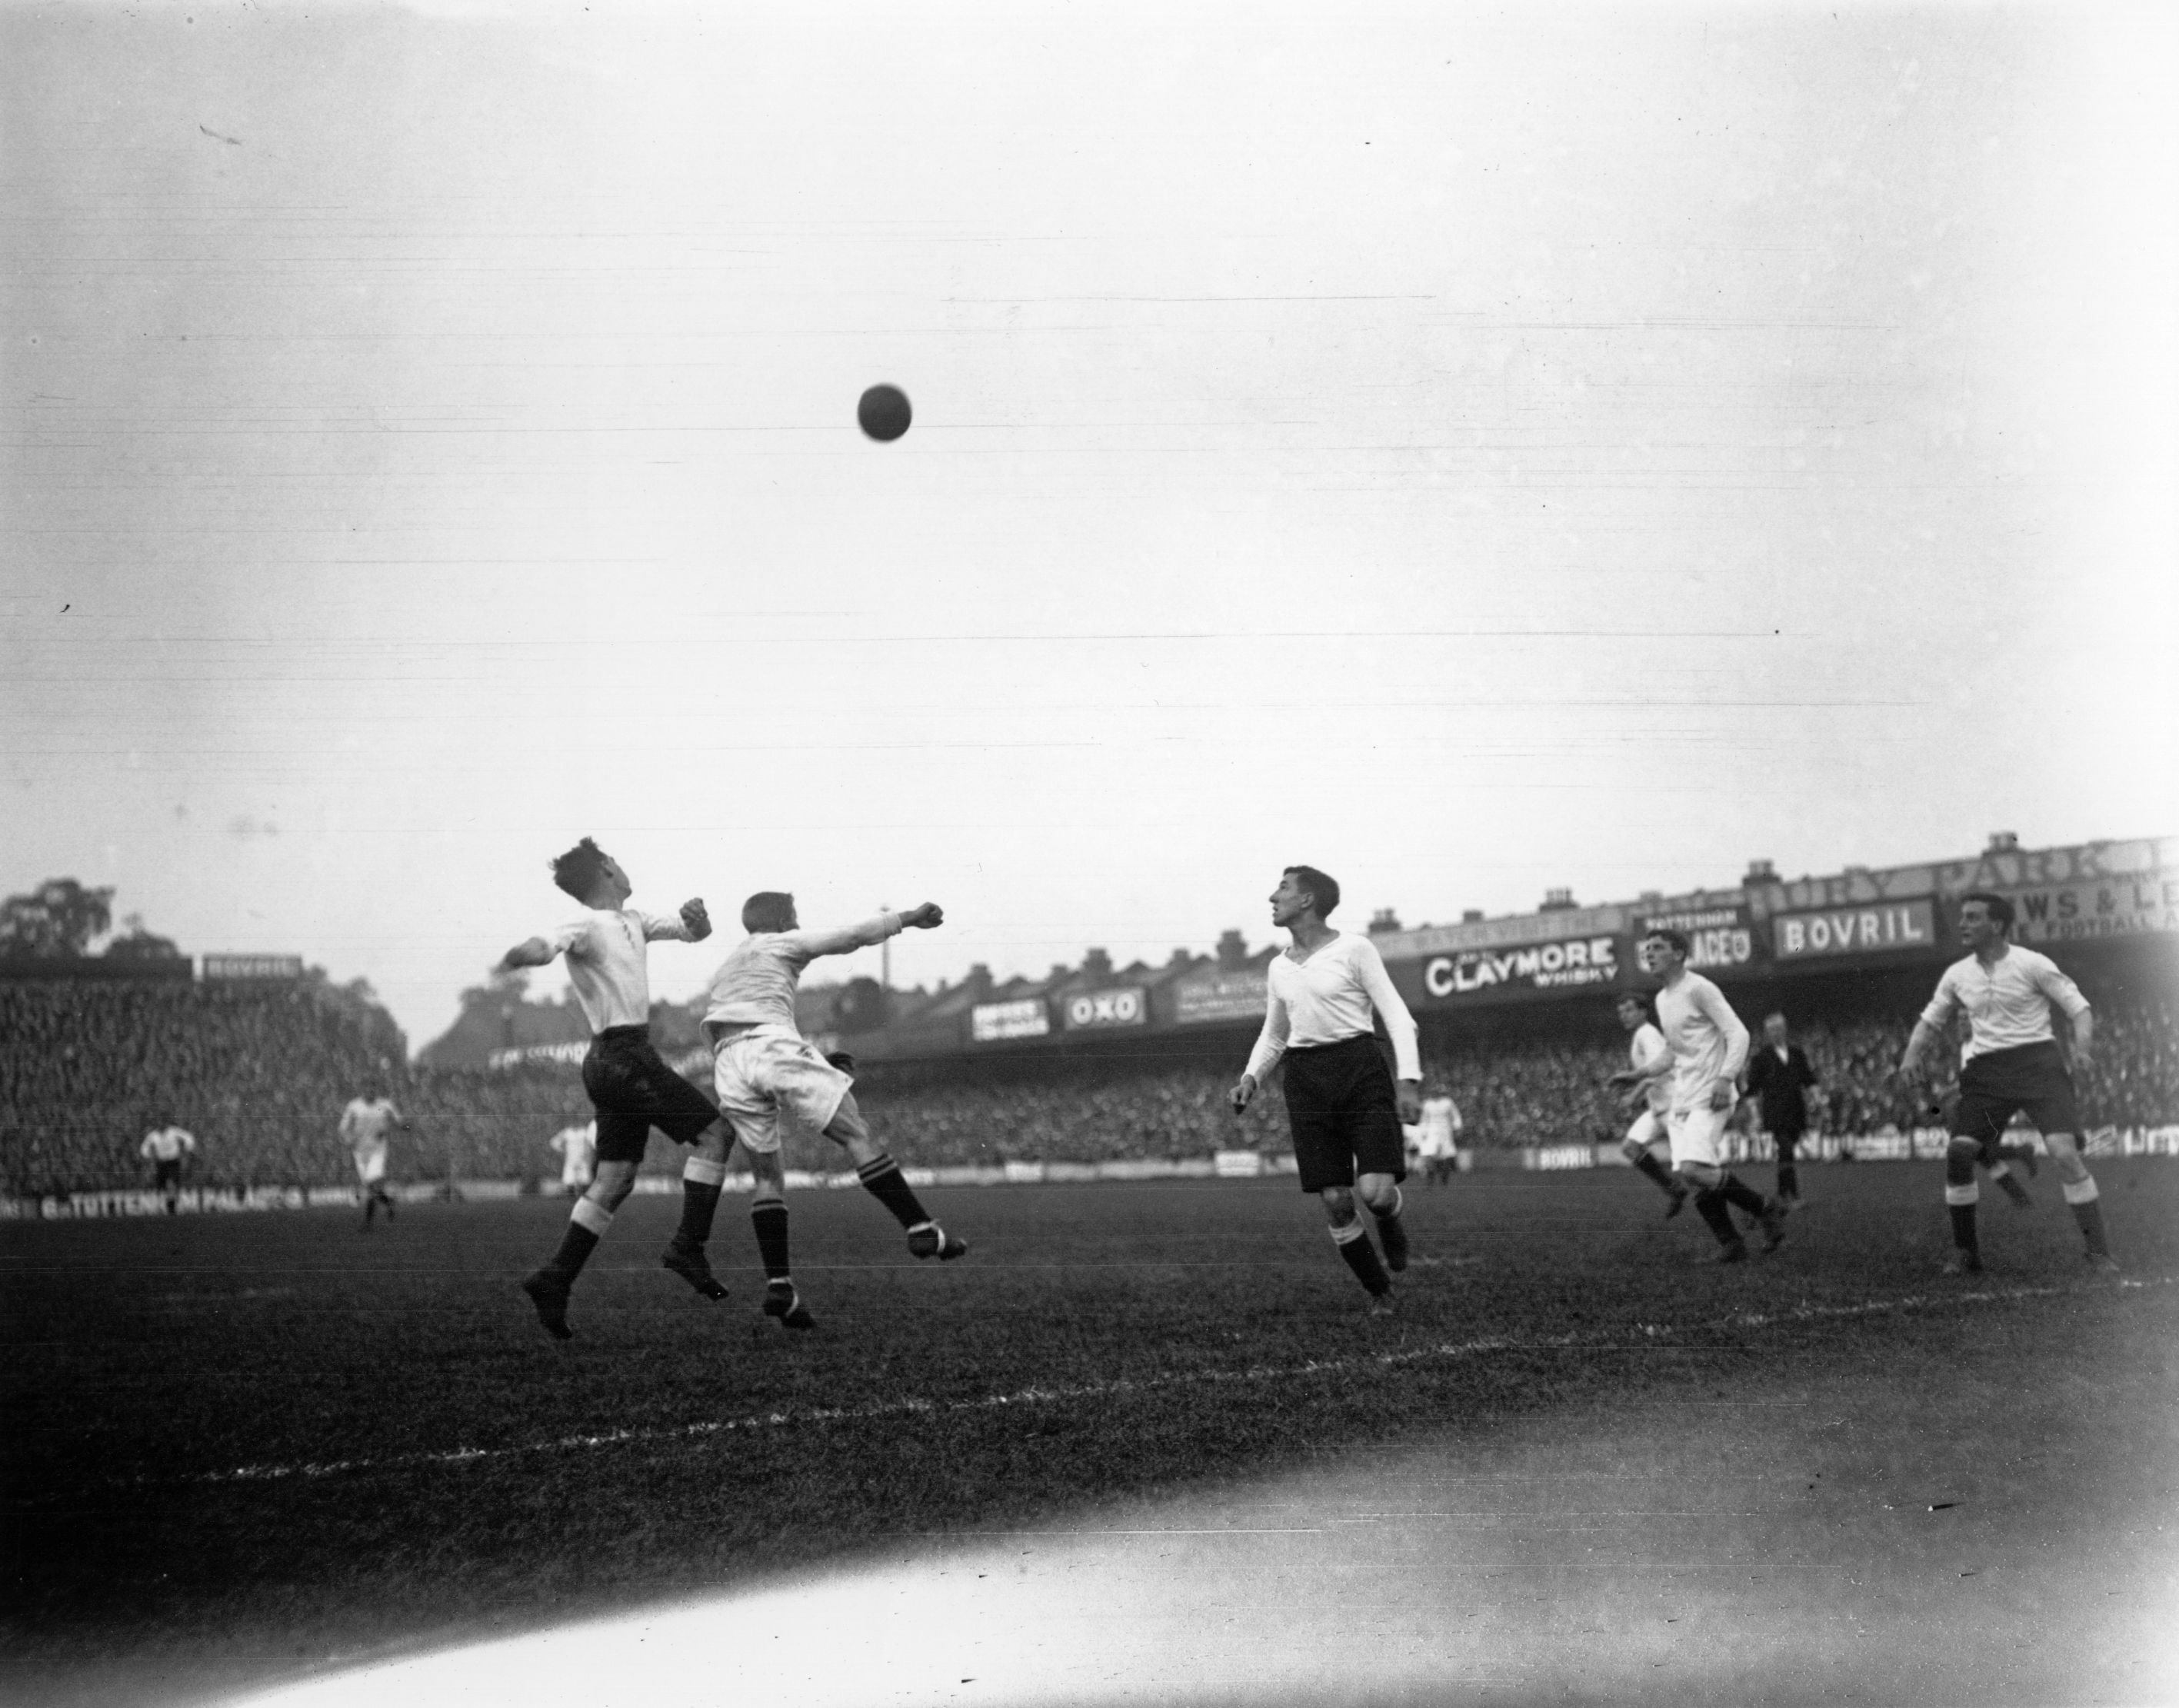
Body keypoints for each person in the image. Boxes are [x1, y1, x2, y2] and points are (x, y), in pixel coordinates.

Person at [499, 837, 738, 1339]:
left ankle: (554, 1278)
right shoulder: (585, 923)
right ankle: (687, 1246)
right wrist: (526, 953)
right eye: (619, 862)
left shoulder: (635, 921)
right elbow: (550, 945)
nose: (627, 869)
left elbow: (693, 931)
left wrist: (698, 919)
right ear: (607, 868)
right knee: (716, 1134)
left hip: (612, 1062)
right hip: (623, 1056)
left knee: (615, 1179)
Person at [701, 893, 963, 1331]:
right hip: (770, 1047)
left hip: (728, 1063)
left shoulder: (727, 968)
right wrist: (909, 919)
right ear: (784, 919)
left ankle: (781, 1287)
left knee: (767, 1178)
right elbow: (850, 937)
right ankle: (919, 1228)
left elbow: (753, 1021)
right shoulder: (780, 943)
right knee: (856, 1134)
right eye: (795, 915)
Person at [1228, 865, 1419, 1313]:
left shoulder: (1355, 948)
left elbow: (1396, 1015)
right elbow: (1274, 1034)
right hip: (1306, 1080)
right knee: (1335, 1199)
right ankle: (1380, 1293)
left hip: (1360, 1068)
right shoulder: (1278, 966)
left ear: (1308, 899)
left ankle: (1390, 1218)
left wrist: (1408, 1081)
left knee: (1373, 1194)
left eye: (1283, 889)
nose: (1272, 897)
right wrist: (1250, 1078)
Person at [1897, 891, 2115, 1276]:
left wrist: (2082, 1050)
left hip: (2039, 1065)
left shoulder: (2033, 964)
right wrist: (1911, 1056)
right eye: (1962, 917)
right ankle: (1967, 1253)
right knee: (1961, 1152)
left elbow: (2079, 1008)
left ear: (1996, 925)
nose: (1962, 924)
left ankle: (2099, 1253)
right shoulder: (1957, 974)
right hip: (1987, 1071)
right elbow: (1930, 1021)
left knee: (2064, 1153)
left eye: (1972, 917)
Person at [1630, 929, 1784, 1263]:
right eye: (1647, 948)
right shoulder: (1661, 998)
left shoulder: (1699, 988)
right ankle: (1731, 1243)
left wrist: (1725, 1077)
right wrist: (1639, 1074)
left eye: (1658, 947)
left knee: (1692, 1168)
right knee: (1696, 1176)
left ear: (1680, 954)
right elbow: (1673, 1052)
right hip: (1684, 1096)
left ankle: (1765, 1208)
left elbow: (1738, 1033)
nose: (1649, 953)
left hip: (1711, 1093)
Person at [1606, 992, 1690, 1218]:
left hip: (1673, 1106)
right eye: (1621, 1012)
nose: (1624, 1016)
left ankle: (1754, 1206)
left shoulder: (1647, 1034)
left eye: (1630, 1010)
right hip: (1658, 1109)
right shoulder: (1640, 1036)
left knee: (1695, 1168)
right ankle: (1674, 1189)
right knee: (1630, 1147)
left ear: (1643, 1011)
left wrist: (1634, 1094)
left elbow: (1658, 1070)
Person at [1743, 1012, 1821, 1208]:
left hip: (1796, 1110)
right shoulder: (1761, 1058)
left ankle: (1781, 1193)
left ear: (1785, 1030)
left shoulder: (1796, 1054)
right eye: (1771, 1030)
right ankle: (1793, 1196)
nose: (1775, 1033)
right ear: (1767, 1033)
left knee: (1786, 1152)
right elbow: (1752, 1090)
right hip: (1775, 1111)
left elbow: (1809, 1079)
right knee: (1786, 1149)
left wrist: (1817, 1098)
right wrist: (1754, 1115)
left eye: (1778, 1029)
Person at [338, 1087, 408, 1230]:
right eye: (367, 1090)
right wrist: (348, 1139)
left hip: (378, 1151)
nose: (370, 1093)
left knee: (372, 1185)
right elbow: (343, 1128)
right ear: (363, 1091)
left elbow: (399, 1122)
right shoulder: (354, 1106)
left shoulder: (385, 1105)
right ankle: (388, 1202)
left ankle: (368, 1223)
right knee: (371, 1187)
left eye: (372, 1090)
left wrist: (397, 1127)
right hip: (360, 1152)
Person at [139, 1116, 197, 1214]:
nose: (161, 1124)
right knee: (162, 1185)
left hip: (173, 1161)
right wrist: (151, 1156)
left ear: (166, 1123)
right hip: (160, 1162)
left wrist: (187, 1150)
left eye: (163, 1122)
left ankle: (171, 1206)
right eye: (159, 1122)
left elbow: (188, 1137)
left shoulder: (174, 1131)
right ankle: (165, 1205)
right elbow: (144, 1148)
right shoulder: (153, 1135)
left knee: (172, 1182)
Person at [1412, 1080, 1463, 1186]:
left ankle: (1444, 1179)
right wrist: (1423, 1131)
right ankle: (1430, 1180)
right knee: (1429, 1155)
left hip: (1445, 1131)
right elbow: (1424, 1119)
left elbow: (1455, 1115)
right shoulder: (1428, 1104)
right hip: (1432, 1131)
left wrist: (1457, 1127)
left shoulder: (1448, 1102)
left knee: (1445, 1156)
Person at [547, 1117, 598, 1195]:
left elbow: (590, 1143)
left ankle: (584, 1194)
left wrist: (589, 1153)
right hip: (571, 1159)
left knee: (585, 1179)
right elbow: (554, 1142)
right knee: (569, 1179)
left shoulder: (584, 1132)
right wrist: (563, 1151)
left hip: (583, 1158)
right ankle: (570, 1195)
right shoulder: (567, 1132)